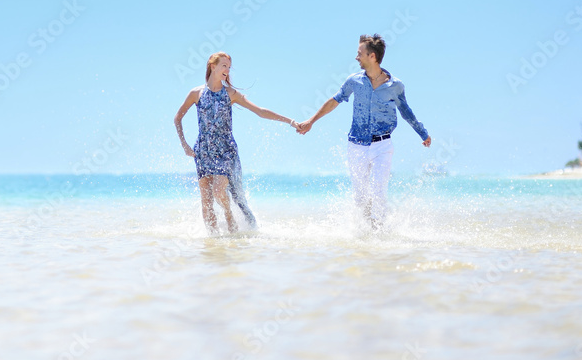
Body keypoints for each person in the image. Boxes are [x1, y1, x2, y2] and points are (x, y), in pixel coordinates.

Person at [296, 34, 430, 230]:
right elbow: (335, 100)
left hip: (383, 145)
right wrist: (311, 121)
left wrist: (422, 133)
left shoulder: (395, 85)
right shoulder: (354, 81)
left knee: (379, 192)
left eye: (360, 53)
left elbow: (406, 111)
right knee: (360, 198)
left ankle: (380, 233)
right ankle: (367, 233)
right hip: (356, 144)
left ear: (372, 56)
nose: (356, 57)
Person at [174, 52, 298, 234]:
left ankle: (229, 215)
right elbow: (178, 118)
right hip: (203, 151)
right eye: (223, 65)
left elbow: (260, 111)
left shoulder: (230, 93)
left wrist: (291, 121)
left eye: (229, 67)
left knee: (218, 191)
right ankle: (214, 245)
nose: (227, 70)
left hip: (225, 151)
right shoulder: (196, 94)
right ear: (212, 66)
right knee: (206, 201)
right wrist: (184, 145)